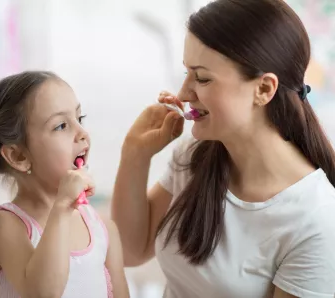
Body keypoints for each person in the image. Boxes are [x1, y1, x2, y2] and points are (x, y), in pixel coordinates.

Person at [111, 0, 335, 297]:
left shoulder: (316, 219)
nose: (183, 93)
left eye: (202, 78)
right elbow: (130, 249)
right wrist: (135, 154)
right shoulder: (194, 155)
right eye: (186, 73)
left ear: (264, 89)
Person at [0, 71, 129, 298]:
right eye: (61, 126)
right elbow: (42, 294)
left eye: (79, 119)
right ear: (19, 156)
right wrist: (61, 208)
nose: (82, 134)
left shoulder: (103, 230)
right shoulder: (8, 226)